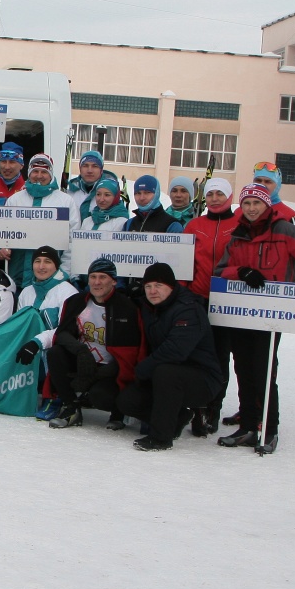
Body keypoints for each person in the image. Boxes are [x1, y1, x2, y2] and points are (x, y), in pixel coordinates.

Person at [214, 184, 295, 453]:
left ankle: (268, 428)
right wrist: (241, 272)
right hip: (242, 313)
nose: (252, 208)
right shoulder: (238, 235)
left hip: (271, 316)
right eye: (247, 203)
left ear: (267, 204)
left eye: (257, 203)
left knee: (263, 370)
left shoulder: (283, 229)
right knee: (243, 368)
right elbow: (220, 271)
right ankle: (249, 425)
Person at [115, 262, 226, 451]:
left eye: (158, 286)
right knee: (127, 400)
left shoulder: (188, 310)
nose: (152, 291)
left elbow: (175, 351)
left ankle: (161, 438)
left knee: (166, 372)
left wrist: (142, 369)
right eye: (148, 286)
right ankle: (177, 417)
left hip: (203, 378)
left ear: (172, 286)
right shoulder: (150, 307)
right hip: (165, 373)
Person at [37, 257, 145, 430]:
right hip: (83, 360)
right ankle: (71, 407)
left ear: (114, 281)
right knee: (55, 353)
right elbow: (62, 333)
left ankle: (117, 412)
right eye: (93, 277)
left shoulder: (127, 308)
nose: (96, 282)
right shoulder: (76, 302)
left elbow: (130, 354)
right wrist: (80, 351)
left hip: (109, 368)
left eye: (102, 277)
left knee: (101, 397)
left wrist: (94, 376)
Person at [182, 177, 237, 435]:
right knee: (195, 353)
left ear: (229, 196)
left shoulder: (239, 224)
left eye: (219, 194)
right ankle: (196, 404)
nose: (214, 198)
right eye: (211, 193)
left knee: (219, 355)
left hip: (227, 300)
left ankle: (214, 406)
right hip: (198, 298)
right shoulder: (195, 225)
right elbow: (183, 261)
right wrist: (184, 292)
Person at [14, 247, 79, 420]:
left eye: (48, 262)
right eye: (37, 261)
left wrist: (38, 341)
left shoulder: (68, 292)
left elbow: (65, 330)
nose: (41, 266)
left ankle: (54, 398)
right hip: (31, 348)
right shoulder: (27, 292)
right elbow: (19, 325)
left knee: (54, 353)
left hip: (57, 349)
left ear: (56, 266)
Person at [0, 153, 80, 289]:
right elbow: (2, 230)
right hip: (17, 273)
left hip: (51, 277)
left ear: (51, 174)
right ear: (29, 173)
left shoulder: (65, 201)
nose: (39, 175)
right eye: (35, 171)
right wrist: (0, 248)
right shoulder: (15, 199)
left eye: (44, 172)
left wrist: (64, 271)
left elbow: (73, 240)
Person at [250, 161, 295, 229]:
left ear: (277, 185)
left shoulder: (290, 216)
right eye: (258, 180)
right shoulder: (241, 212)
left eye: (268, 182)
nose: (262, 185)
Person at [66, 150, 107, 224]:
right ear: (80, 169)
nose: (89, 170)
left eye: (95, 166)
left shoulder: (111, 195)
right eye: (85, 166)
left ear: (101, 170)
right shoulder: (69, 194)